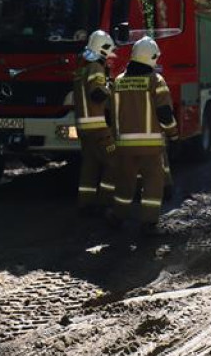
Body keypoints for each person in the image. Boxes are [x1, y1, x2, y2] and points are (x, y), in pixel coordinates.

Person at [108, 36, 178, 233]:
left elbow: (109, 113)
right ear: (152, 58)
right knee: (152, 183)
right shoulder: (156, 81)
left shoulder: (118, 82)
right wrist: (173, 134)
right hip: (151, 146)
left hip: (124, 146)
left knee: (124, 182)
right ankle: (148, 222)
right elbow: (165, 114)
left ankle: (118, 216)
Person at [74, 29, 117, 215]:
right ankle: (105, 202)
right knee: (114, 162)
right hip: (98, 128)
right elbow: (97, 94)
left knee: (90, 166)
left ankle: (86, 203)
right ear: (103, 49)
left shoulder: (80, 69)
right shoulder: (96, 68)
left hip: (83, 127)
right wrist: (110, 86)